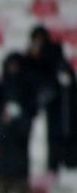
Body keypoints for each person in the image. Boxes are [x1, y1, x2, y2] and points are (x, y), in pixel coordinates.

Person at [25, 26, 77, 174]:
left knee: (60, 138)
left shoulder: (55, 57)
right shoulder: (30, 61)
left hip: (60, 110)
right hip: (46, 108)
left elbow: (64, 83)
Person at [0, 100, 33, 193]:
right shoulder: (0, 125)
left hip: (19, 169)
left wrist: (12, 123)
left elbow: (22, 136)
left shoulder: (22, 125)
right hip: (4, 169)